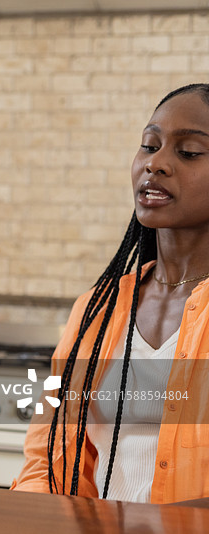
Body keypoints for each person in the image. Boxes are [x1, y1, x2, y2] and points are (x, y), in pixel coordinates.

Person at [12, 83, 209, 504]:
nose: (156, 164)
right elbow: (45, 458)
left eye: (189, 151)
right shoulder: (95, 309)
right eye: (148, 145)